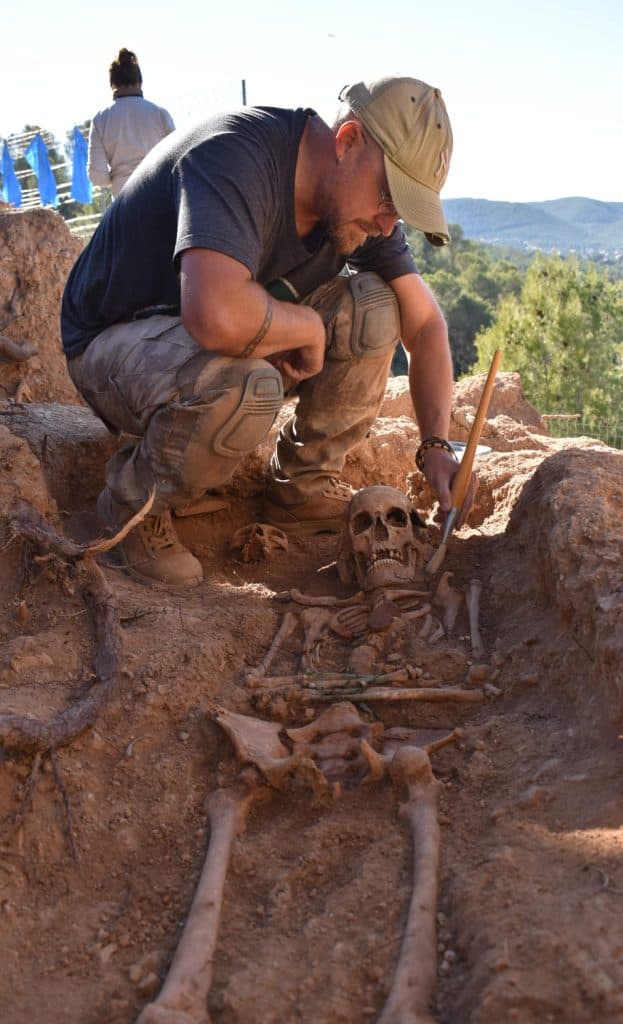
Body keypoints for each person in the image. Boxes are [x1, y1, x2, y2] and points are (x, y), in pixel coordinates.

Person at [62, 74, 471, 588]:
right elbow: (214, 314)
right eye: (390, 198)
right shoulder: (236, 154)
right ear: (347, 142)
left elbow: (425, 323)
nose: (388, 225)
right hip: (109, 343)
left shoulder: (352, 207)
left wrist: (437, 445)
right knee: (246, 383)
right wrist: (304, 327)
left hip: (198, 344)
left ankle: (299, 489)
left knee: (375, 308)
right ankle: (133, 506)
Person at [87, 47, 175, 198]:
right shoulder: (160, 114)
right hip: (160, 196)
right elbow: (177, 158)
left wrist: (118, 177)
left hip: (124, 201)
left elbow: (97, 176)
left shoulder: (100, 120)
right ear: (140, 82)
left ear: (112, 84)